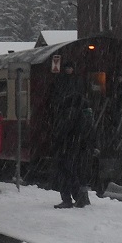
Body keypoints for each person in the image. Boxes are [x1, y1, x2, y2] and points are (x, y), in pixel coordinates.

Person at [51, 62, 95, 208]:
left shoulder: (69, 114)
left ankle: (68, 199)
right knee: (74, 173)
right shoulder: (86, 114)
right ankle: (79, 197)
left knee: (65, 173)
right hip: (78, 148)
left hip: (68, 148)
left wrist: (58, 140)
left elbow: (63, 130)